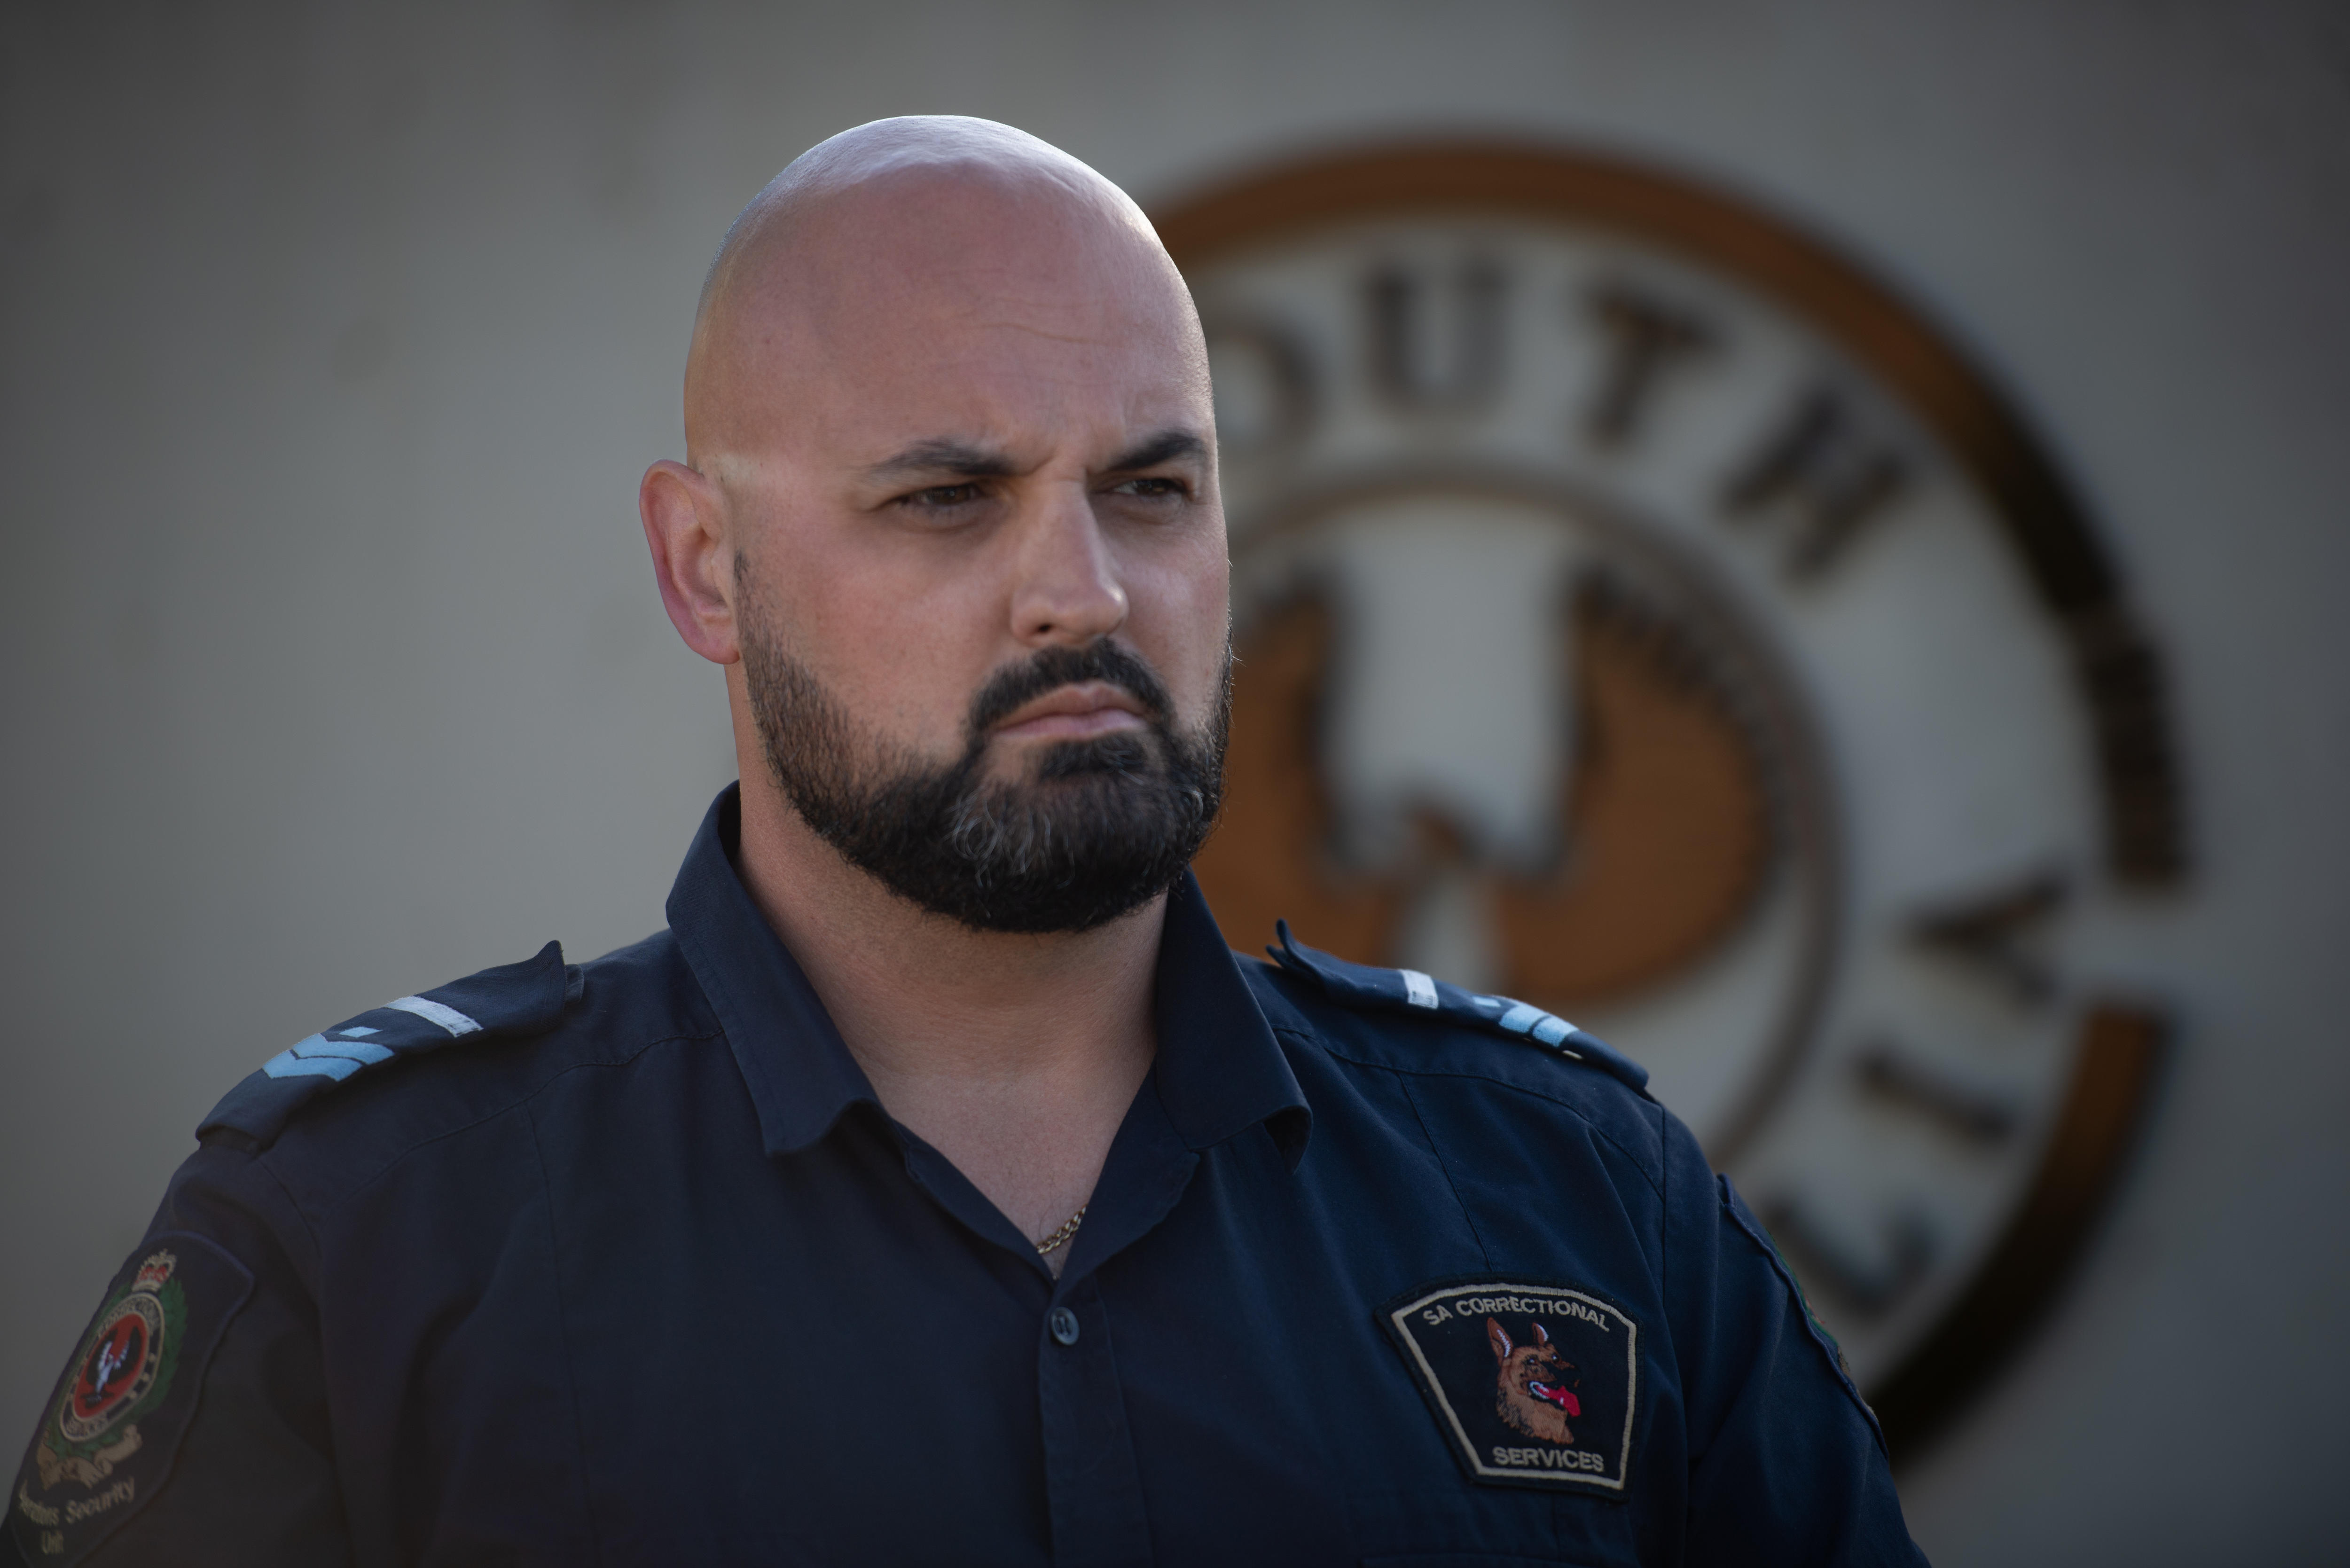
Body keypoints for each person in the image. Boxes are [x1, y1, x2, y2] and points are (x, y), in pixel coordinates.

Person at [7, 117, 1927, 1567]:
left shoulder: (1573, 1198)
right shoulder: (370, 1239)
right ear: (706, 567)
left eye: (1152, 487)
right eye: (945, 497)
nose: (1083, 591)